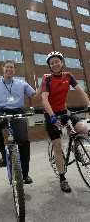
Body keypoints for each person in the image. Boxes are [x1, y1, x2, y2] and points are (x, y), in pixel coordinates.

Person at [40, 51, 90, 193]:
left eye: (57, 61)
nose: (55, 64)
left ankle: (76, 146)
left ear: (62, 62)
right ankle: (63, 178)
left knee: (84, 129)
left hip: (64, 111)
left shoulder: (68, 76)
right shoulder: (47, 79)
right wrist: (52, 117)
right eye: (52, 62)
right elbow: (44, 99)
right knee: (57, 146)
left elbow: (81, 91)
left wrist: (89, 104)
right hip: (51, 115)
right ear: (49, 66)